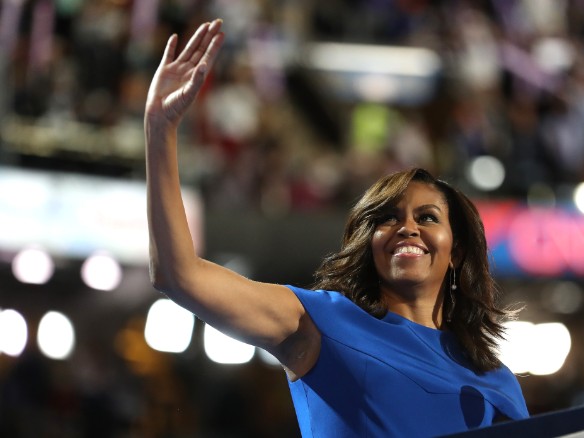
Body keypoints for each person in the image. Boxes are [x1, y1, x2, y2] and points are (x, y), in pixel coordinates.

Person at [145, 19, 529, 437]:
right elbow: (178, 274)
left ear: (455, 251)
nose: (406, 228)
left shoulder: (497, 381)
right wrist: (160, 131)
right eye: (388, 218)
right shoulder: (319, 323)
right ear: (370, 244)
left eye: (427, 217)